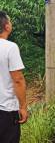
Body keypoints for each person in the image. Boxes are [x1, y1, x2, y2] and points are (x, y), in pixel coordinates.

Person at [0, 11, 28, 143]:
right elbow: (18, 80)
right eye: (10, 21)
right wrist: (23, 107)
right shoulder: (10, 48)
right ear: (6, 26)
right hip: (6, 110)